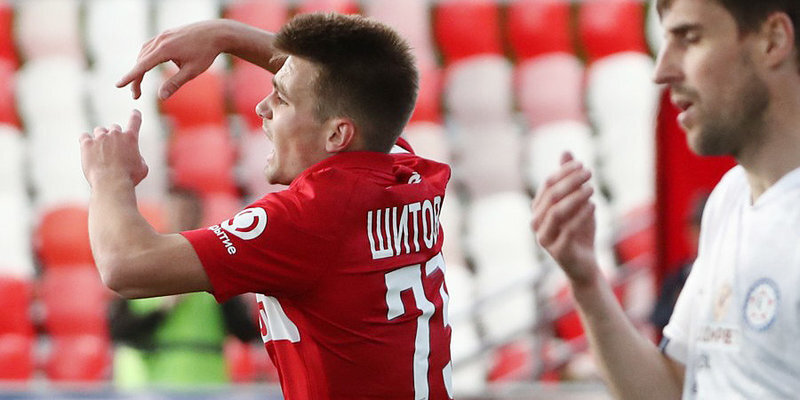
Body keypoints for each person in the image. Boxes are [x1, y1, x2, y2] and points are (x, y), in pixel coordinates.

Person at [80, 13, 453, 400]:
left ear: (337, 134)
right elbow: (345, 87)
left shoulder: (307, 219)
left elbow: (127, 265)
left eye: (282, 99)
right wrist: (225, 35)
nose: (262, 107)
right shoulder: (403, 168)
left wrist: (108, 176)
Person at [531, 0, 800, 398]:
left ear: (773, 40)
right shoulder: (730, 196)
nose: (662, 71)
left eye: (690, 38)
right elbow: (673, 388)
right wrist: (586, 282)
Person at [108, 187, 258, 389]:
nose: (181, 218)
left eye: (187, 212)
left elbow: (244, 331)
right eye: (175, 211)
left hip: (204, 385)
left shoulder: (216, 267)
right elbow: (118, 331)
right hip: (146, 387)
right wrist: (163, 310)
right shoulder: (139, 264)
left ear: (200, 215)